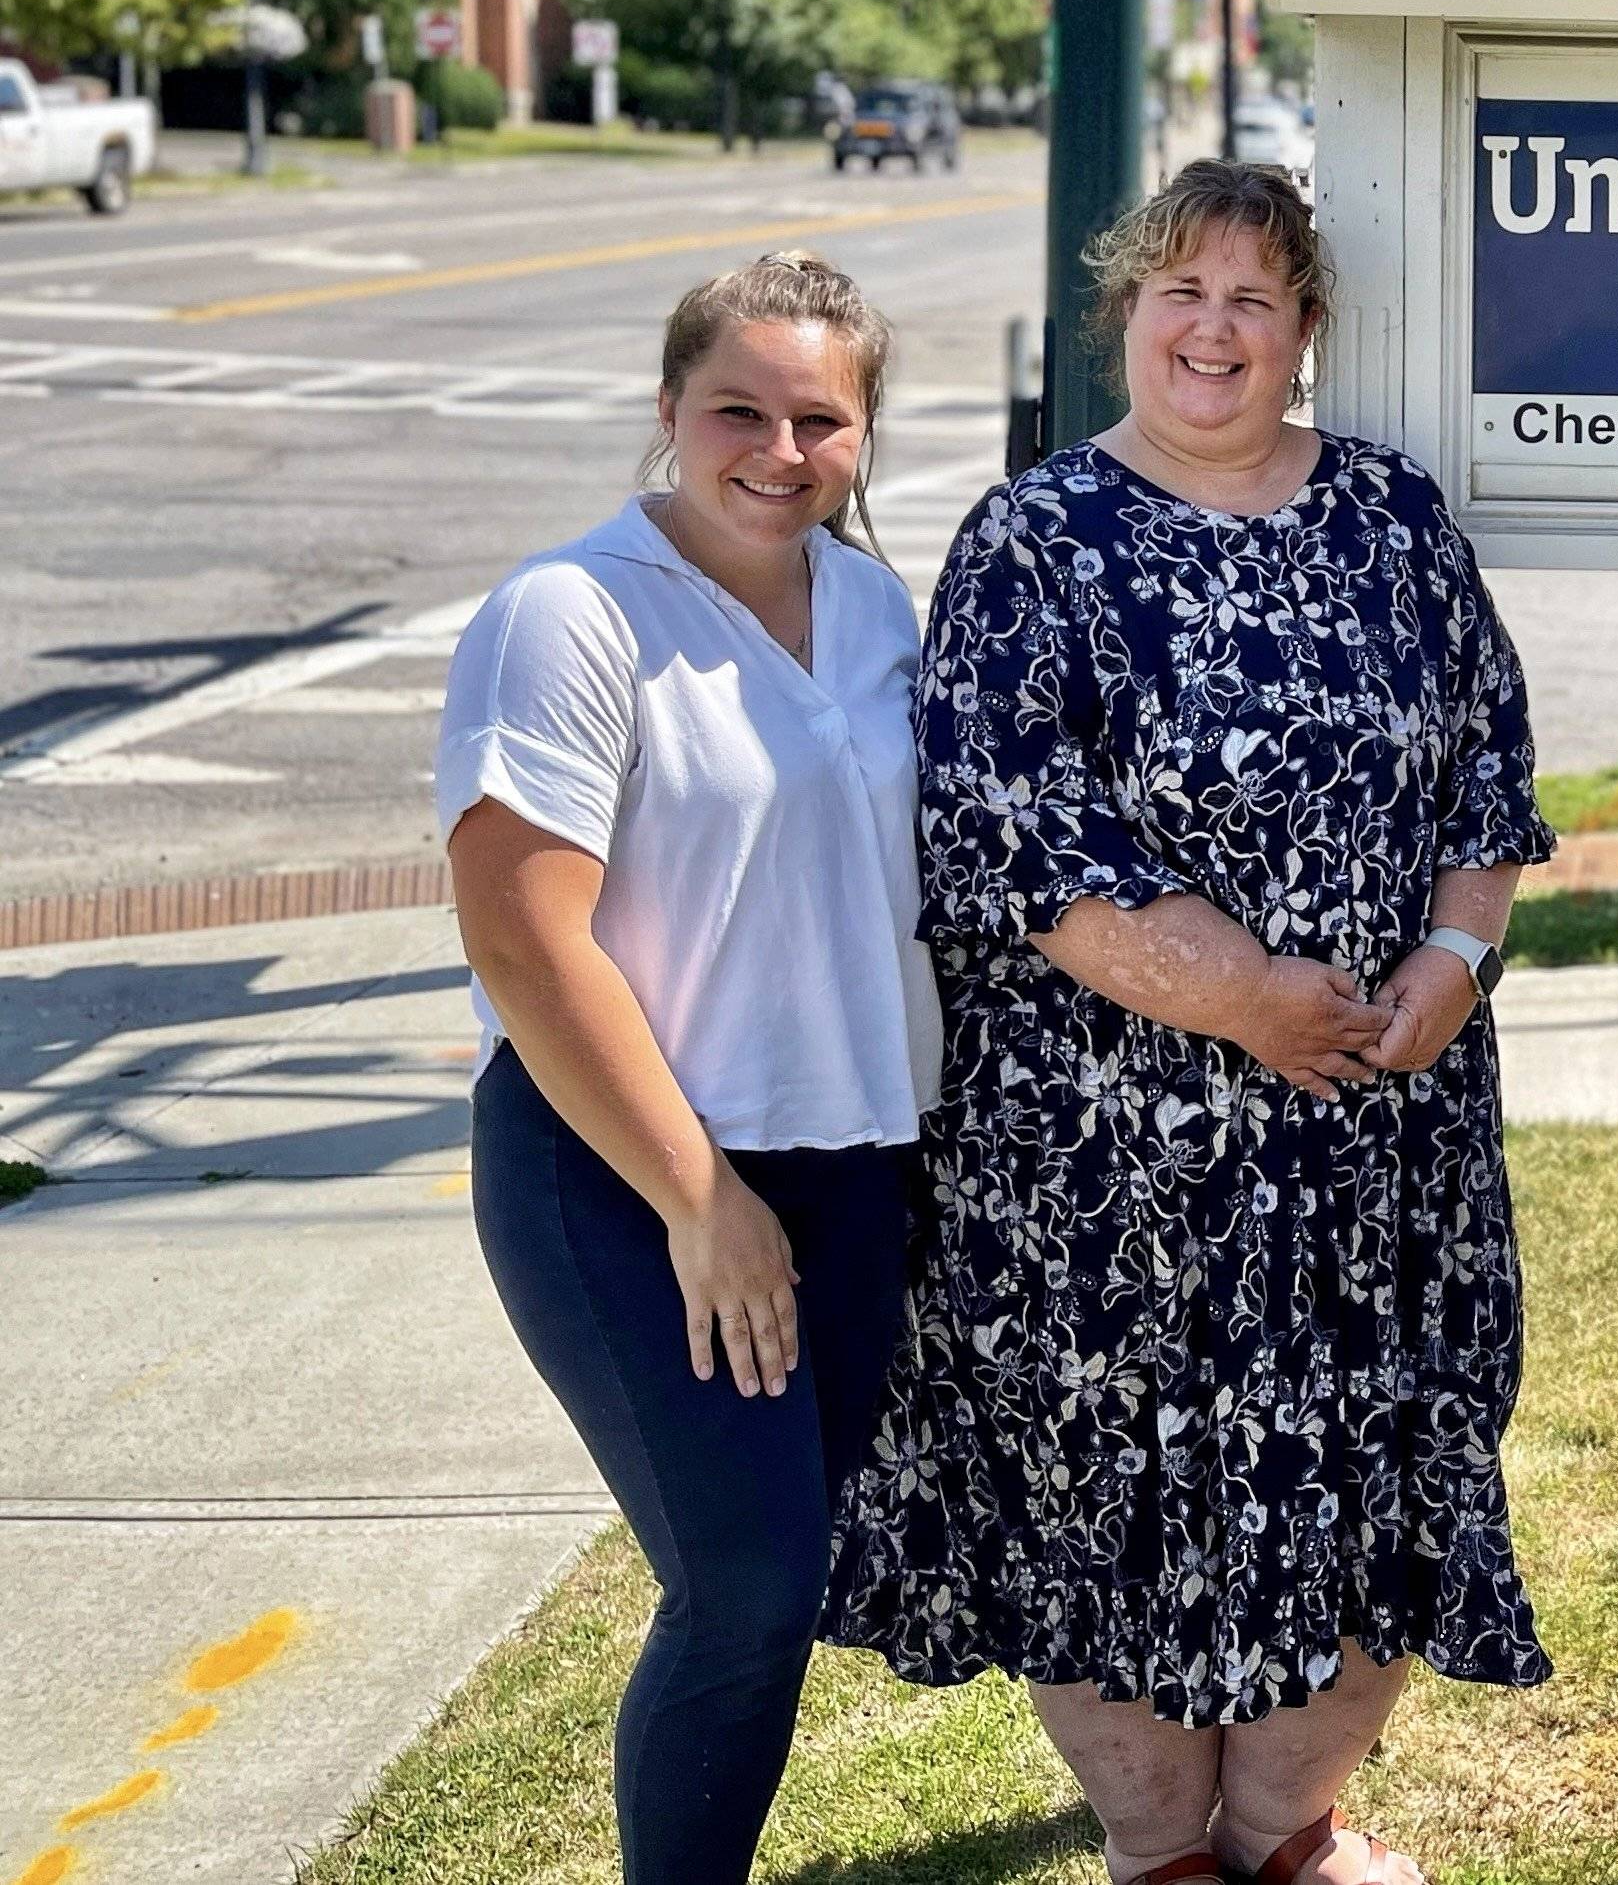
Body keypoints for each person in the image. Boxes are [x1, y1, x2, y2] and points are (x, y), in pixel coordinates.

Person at [825, 159, 1555, 1885]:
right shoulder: (1034, 537)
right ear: (1127, 315)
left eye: (1253, 298)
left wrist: (1451, 967)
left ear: (1305, 331)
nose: (1212, 328)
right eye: (1180, 291)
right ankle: (1158, 1850)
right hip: (1098, 1159)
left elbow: (1486, 769)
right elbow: (1006, 835)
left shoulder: (1391, 516)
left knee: (1378, 1463)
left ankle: (1287, 1829)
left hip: (1377, 1140)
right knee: (1108, 1490)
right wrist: (1244, 1003)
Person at [440, 251, 936, 1885]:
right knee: (741, 1587)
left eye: (822, 420)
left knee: (784, 1588)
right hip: (631, 1170)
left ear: (863, 435)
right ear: (669, 411)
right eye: (740, 409)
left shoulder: (877, 609)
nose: (779, 453)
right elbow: (525, 941)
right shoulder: (569, 614)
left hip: (853, 1160)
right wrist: (701, 1197)